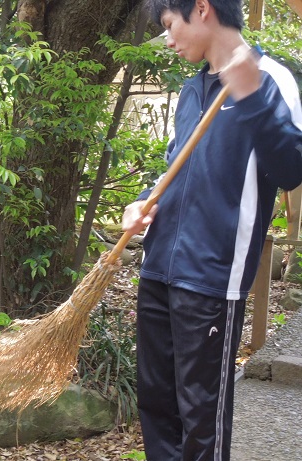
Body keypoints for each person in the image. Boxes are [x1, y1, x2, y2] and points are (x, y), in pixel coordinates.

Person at [121, 0, 302, 460]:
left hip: (213, 278)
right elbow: (174, 170)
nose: (168, 38)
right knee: (157, 406)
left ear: (201, 8)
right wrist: (141, 201)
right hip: (158, 268)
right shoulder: (191, 90)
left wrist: (251, 95)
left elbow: (290, 169)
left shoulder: (271, 78)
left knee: (202, 415)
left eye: (169, 25)